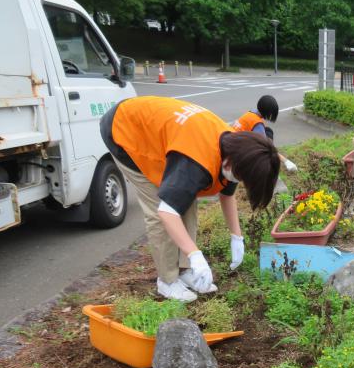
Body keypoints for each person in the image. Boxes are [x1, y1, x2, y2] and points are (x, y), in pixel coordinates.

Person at [100, 95, 281, 302]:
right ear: (233, 165)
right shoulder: (196, 163)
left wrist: (236, 237)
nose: (239, 182)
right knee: (161, 208)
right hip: (125, 129)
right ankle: (167, 281)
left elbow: (227, 194)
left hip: (165, 129)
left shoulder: (238, 151)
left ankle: (185, 270)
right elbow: (166, 212)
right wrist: (196, 254)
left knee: (185, 199)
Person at [232, 94, 298, 173]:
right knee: (265, 148)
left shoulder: (251, 113)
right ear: (268, 112)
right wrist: (287, 162)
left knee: (268, 131)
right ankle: (267, 163)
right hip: (238, 153)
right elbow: (265, 146)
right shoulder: (257, 124)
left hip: (233, 142)